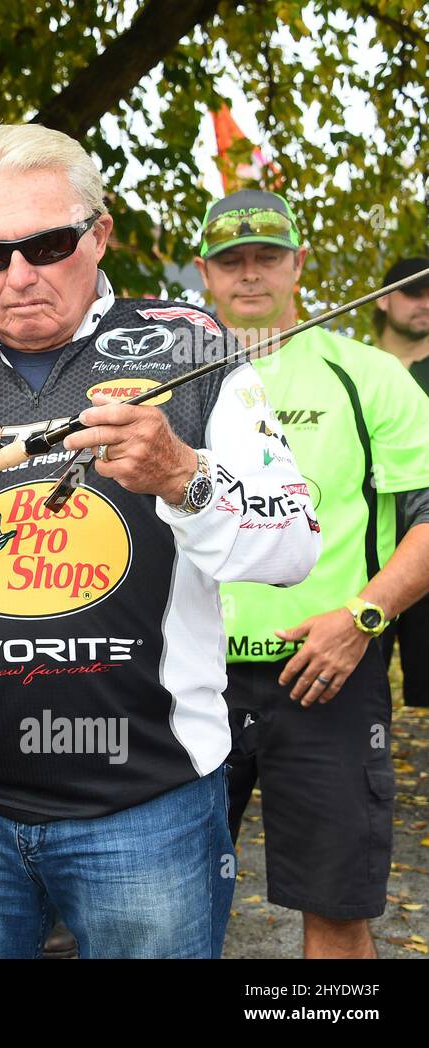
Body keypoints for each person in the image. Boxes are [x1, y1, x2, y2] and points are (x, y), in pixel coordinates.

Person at [0, 124, 321, 959]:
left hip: (147, 808)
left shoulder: (192, 348)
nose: (17, 277)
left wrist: (182, 474)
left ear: (100, 234)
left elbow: (293, 542)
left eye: (47, 245)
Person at [197, 195, 429, 957]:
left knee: (334, 911)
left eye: (268, 255)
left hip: (329, 674)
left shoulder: (366, 375)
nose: (251, 273)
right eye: (231, 260)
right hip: (184, 685)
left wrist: (362, 618)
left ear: (299, 265)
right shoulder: (163, 388)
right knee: (160, 907)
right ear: (205, 272)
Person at [373, 256, 429, 707]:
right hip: (364, 552)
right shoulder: (354, 367)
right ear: (385, 300)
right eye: (414, 291)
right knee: (357, 687)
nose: (425, 303)